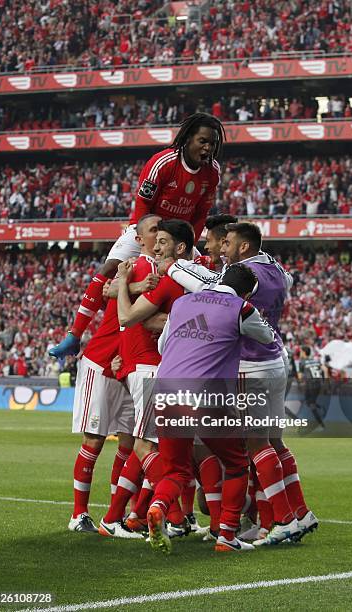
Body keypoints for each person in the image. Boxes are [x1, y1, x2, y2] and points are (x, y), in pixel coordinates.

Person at [161, 222, 318, 545]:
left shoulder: (245, 275)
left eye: (225, 243)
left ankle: (284, 519)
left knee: (255, 444)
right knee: (274, 442)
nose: (220, 250)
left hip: (251, 364)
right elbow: (287, 280)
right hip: (274, 358)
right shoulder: (274, 266)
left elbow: (210, 285)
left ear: (243, 247)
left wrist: (175, 265)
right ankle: (293, 513)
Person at [48, 113, 225, 360]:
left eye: (213, 144)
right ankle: (74, 336)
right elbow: (142, 204)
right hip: (148, 227)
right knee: (109, 267)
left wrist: (187, 244)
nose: (209, 148)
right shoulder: (163, 163)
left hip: (179, 237)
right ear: (187, 140)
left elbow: (201, 212)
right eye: (203, 141)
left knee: (204, 278)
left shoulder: (213, 171)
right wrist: (147, 237)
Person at [146, 263, 275, 554]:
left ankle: (158, 507)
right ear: (246, 293)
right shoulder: (242, 308)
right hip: (206, 396)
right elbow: (267, 338)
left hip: (165, 392)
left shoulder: (181, 302)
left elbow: (163, 348)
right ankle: (227, 535)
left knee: (176, 471)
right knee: (237, 463)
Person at [98, 219, 195, 537]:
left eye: (163, 238)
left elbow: (121, 307)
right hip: (154, 369)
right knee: (146, 445)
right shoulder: (185, 277)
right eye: (155, 236)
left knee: (144, 446)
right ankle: (154, 515)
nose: (157, 244)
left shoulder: (167, 276)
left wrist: (125, 283)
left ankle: (145, 515)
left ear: (179, 247)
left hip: (154, 369)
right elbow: (108, 291)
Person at [68, 215, 160, 536]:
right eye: (153, 230)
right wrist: (131, 284)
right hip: (102, 362)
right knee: (94, 440)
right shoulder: (133, 265)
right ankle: (79, 514)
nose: (158, 234)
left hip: (129, 367)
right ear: (139, 236)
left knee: (128, 444)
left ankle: (115, 517)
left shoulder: (160, 270)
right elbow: (106, 287)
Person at [298, 345, 328, 428]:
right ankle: (320, 408)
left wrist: (300, 382)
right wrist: (325, 381)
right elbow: (325, 369)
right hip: (318, 384)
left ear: (304, 353)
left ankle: (321, 425)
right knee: (308, 402)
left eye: (301, 351)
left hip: (311, 385)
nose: (300, 353)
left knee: (311, 404)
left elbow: (300, 377)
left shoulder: (302, 362)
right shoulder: (315, 360)